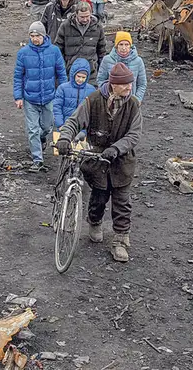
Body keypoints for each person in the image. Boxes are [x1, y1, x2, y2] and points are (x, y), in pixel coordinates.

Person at [57, 62, 142, 263]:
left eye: (131, 83)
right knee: (98, 197)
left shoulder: (133, 105)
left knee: (122, 202)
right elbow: (74, 121)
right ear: (113, 84)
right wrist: (64, 137)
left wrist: (116, 148)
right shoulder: (93, 100)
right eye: (125, 84)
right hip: (97, 160)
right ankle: (94, 222)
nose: (129, 87)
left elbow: (134, 135)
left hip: (122, 162)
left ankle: (120, 241)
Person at [13, 21, 67, 172]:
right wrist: (18, 97)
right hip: (30, 97)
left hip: (49, 96)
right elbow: (18, 76)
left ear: (44, 35)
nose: (35, 38)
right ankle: (38, 160)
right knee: (33, 129)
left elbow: (61, 74)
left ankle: (42, 138)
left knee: (47, 126)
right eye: (32, 35)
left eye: (37, 35)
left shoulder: (54, 51)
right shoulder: (23, 53)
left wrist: (63, 93)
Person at [55, 2, 106, 77]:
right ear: (76, 14)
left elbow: (102, 51)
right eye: (82, 17)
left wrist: (101, 71)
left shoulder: (98, 27)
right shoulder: (65, 26)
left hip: (91, 72)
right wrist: (64, 67)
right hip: (70, 71)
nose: (85, 19)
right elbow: (58, 48)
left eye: (87, 16)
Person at [52, 58, 96, 143]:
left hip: (84, 130)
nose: (80, 80)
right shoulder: (63, 88)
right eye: (78, 76)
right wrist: (60, 124)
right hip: (65, 127)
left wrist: (86, 130)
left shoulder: (91, 90)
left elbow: (93, 111)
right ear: (73, 74)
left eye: (83, 77)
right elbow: (57, 107)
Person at [97, 31, 148, 101]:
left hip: (131, 101)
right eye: (121, 44)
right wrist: (107, 96)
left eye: (126, 44)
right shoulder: (107, 60)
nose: (124, 48)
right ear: (116, 45)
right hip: (111, 100)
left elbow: (142, 84)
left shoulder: (138, 61)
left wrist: (137, 100)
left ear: (130, 45)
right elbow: (101, 80)